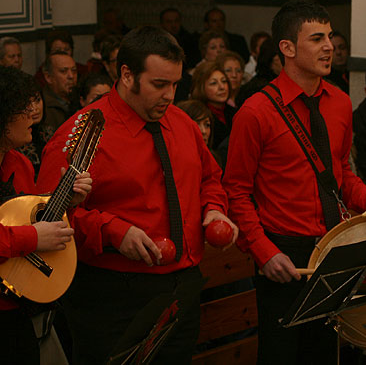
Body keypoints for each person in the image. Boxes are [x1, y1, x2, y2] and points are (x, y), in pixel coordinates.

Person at [36, 26, 236, 364]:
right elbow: (44, 215)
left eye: (175, 84)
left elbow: (210, 179)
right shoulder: (82, 133)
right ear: (127, 75)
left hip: (181, 289)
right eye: (159, 85)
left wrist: (214, 209)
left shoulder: (183, 124)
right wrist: (115, 230)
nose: (170, 96)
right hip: (114, 293)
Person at [223, 0, 366, 365]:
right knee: (281, 354)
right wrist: (264, 253)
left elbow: (340, 171)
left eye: (329, 37)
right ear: (287, 47)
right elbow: (236, 191)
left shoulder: (341, 103)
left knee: (322, 353)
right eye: (316, 39)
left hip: (332, 248)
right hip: (283, 252)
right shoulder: (256, 111)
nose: (329, 46)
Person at [0, 66, 91, 365]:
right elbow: (31, 234)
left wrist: (68, 203)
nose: (33, 114)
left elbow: (30, 219)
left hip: (18, 309)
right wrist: (34, 237)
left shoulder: (21, 163)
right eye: (23, 108)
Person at [190, 60, 235, 149]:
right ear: (201, 87)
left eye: (224, 81)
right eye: (214, 83)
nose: (222, 87)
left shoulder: (235, 113)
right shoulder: (196, 114)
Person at [17, 86, 54, 178]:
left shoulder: (49, 132)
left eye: (37, 100)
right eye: (28, 103)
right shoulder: (16, 139)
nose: (35, 108)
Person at [42, 51, 78, 132]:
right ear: (48, 77)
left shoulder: (81, 99)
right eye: (63, 71)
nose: (71, 76)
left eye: (74, 70)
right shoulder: (42, 107)